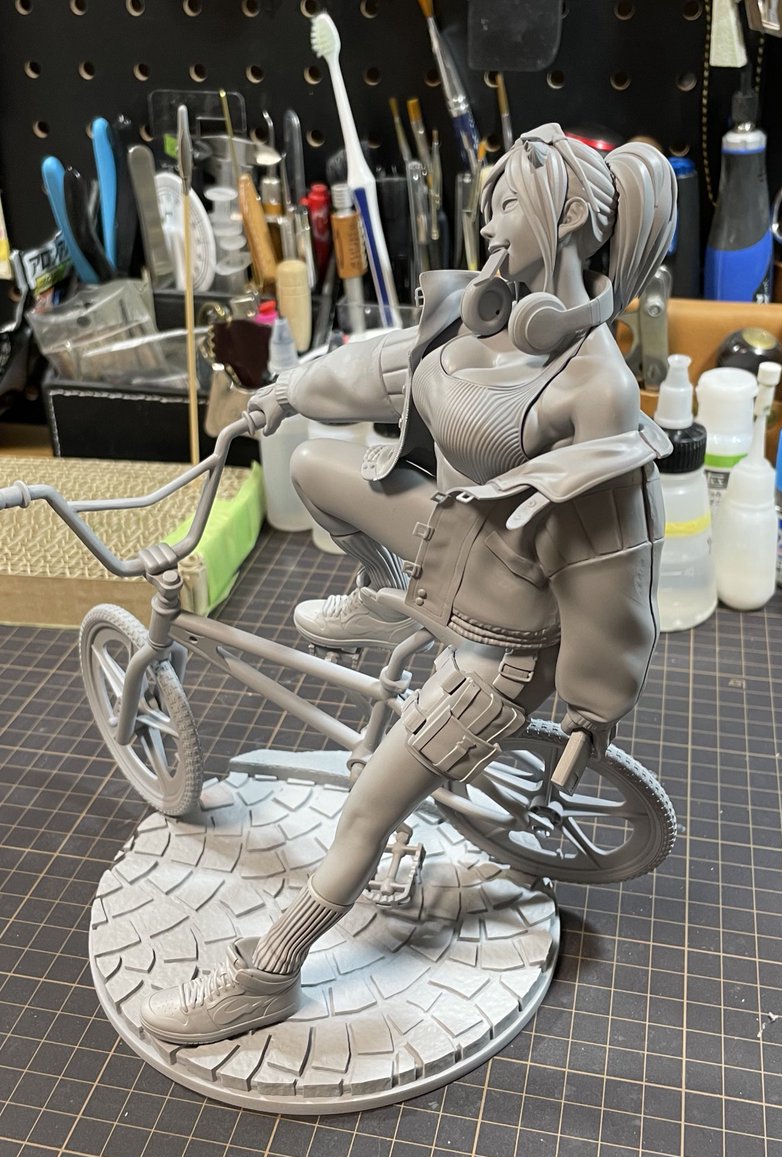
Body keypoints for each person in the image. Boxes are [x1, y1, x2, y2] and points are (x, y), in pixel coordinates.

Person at [140, 124, 678, 1045]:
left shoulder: (596, 390)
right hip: (450, 546)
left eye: (507, 206)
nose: (488, 225)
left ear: (567, 219)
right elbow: (383, 368)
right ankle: (385, 598)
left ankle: (267, 976)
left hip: (505, 641)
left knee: (366, 810)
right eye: (488, 206)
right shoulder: (481, 316)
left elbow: (609, 571)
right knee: (313, 466)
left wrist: (592, 707)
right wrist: (288, 391)